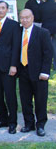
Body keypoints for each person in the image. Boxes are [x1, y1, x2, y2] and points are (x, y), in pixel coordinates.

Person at [18, 9, 53, 137]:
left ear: (32, 17)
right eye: (22, 18)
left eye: (27, 17)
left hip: (39, 73)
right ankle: (29, 124)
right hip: (23, 71)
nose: (25, 20)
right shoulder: (18, 32)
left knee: (40, 100)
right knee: (25, 100)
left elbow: (48, 53)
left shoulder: (43, 33)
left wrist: (45, 71)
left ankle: (40, 125)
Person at [0, 0, 21, 134]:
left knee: (10, 95)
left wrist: (14, 65)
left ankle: (12, 122)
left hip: (8, 66)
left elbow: (16, 47)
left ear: (7, 9)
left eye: (3, 8)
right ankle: (2, 119)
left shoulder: (14, 25)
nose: (0, 10)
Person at [41, 0, 56, 70]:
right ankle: (55, 65)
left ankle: (46, 63)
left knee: (45, 46)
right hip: (55, 28)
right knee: (55, 46)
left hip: (45, 27)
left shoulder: (43, 5)